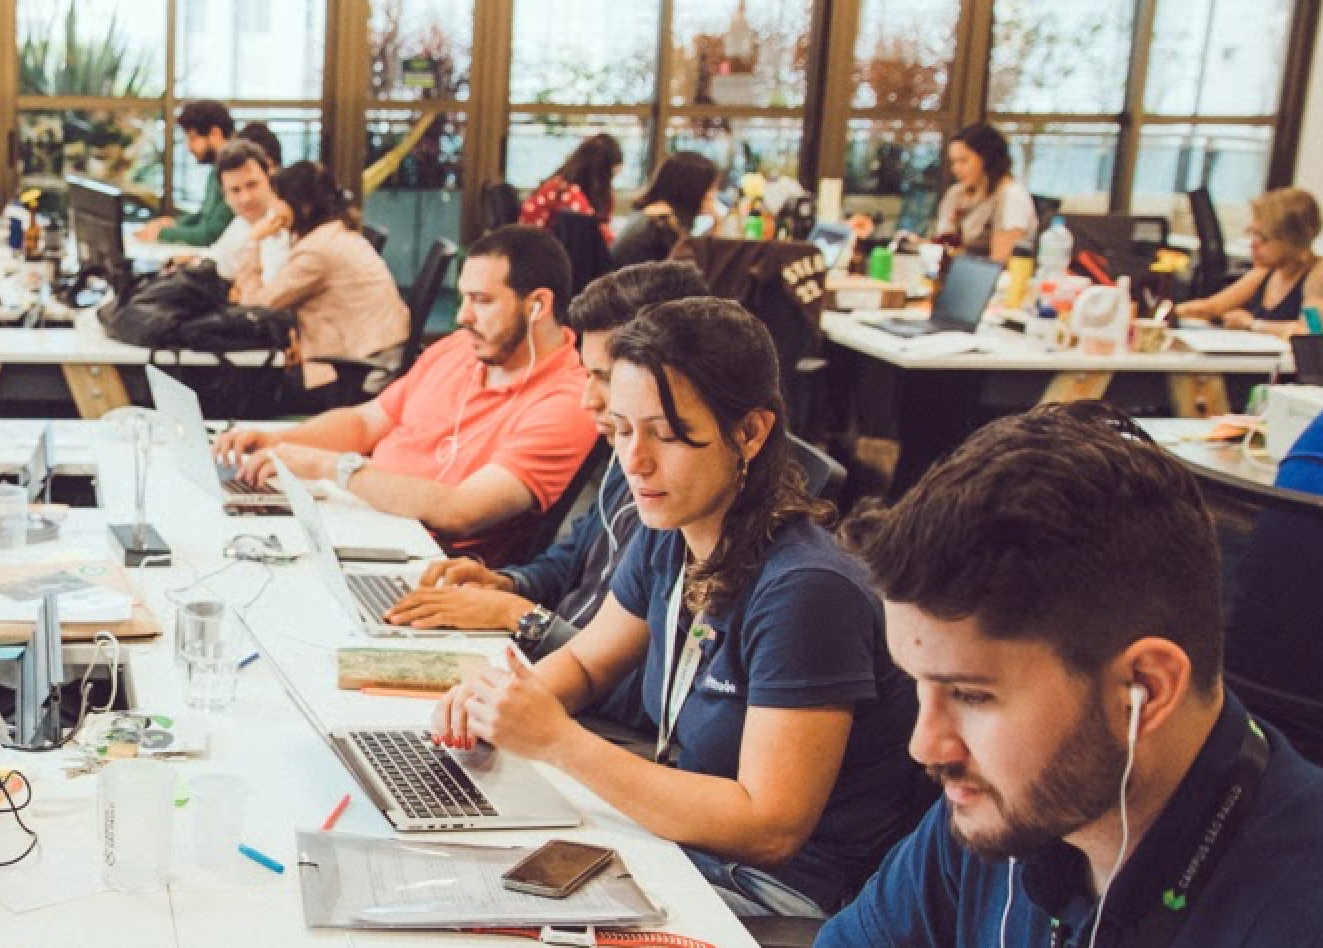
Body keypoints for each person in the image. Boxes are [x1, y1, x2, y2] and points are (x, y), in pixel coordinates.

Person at [432, 298, 922, 917]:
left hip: (778, 897)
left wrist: (559, 743)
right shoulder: (671, 533)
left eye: (665, 434)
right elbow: (586, 667)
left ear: (749, 432)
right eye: (624, 429)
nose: (634, 461)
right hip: (684, 850)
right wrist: (502, 703)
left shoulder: (807, 591)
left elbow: (770, 828)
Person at [819, 402, 1323, 946]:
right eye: (920, 684)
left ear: (1146, 690)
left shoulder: (1293, 913)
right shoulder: (995, 809)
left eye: (971, 695)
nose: (926, 746)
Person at [217, 225, 597, 567]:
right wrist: (281, 440)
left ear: (538, 306)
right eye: (463, 298)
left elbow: (461, 511)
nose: (462, 316)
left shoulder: (567, 401)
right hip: (361, 515)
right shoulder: (462, 348)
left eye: (481, 300)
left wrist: (330, 467)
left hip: (415, 558)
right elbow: (365, 422)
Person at [385, 262, 711, 658]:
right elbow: (571, 562)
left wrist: (521, 618)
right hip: (552, 664)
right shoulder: (626, 459)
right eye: (587, 374)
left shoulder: (681, 490)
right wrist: (507, 585)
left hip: (585, 698)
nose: (587, 398)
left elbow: (643, 687)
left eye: (605, 378)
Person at [235, 160, 409, 407]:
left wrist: (253, 240)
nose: (273, 208)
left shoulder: (317, 252)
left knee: (251, 387)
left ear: (300, 204)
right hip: (375, 358)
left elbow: (254, 308)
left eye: (278, 199)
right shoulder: (334, 233)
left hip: (359, 372)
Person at [1174, 187, 1323, 338]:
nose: (1253, 245)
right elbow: (1211, 307)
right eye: (1253, 234)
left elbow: (1313, 330)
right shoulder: (1266, 271)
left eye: (1263, 238)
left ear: (1291, 240)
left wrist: (1252, 325)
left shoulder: (1316, 275)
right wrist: (1166, 312)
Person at [927, 123, 1037, 263]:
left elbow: (999, 262)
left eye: (963, 161)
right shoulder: (957, 193)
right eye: (953, 162)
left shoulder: (1012, 196)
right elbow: (943, 243)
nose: (955, 169)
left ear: (987, 159)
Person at [133, 100, 235, 247]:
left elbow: (212, 234)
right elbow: (204, 217)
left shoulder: (234, 173)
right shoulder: (216, 171)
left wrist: (162, 233)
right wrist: (172, 223)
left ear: (215, 133)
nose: (188, 146)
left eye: (193, 138)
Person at [192, 139, 292, 283]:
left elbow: (266, 289)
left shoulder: (284, 225)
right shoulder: (243, 221)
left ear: (270, 180)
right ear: (225, 196)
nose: (246, 198)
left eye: (252, 185)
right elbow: (218, 257)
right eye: (235, 190)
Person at [607, 151, 719, 271]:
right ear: (692, 189)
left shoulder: (655, 214)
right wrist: (717, 223)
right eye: (710, 188)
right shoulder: (662, 222)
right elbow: (699, 269)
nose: (712, 195)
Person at [520, 133, 624, 247]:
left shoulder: (561, 185)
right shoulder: (565, 192)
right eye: (609, 177)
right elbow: (600, 239)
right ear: (599, 173)